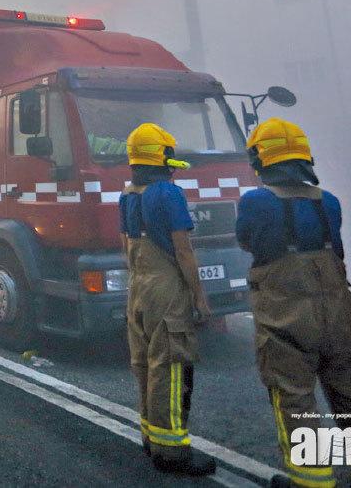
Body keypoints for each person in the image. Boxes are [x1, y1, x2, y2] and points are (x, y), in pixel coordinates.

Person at [236, 118, 351, 488]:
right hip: (339, 313)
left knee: (294, 396)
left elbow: (249, 243)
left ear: (261, 160)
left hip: (286, 312)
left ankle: (311, 479)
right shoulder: (329, 202)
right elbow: (336, 252)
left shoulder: (254, 202)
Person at [119, 123, 217, 476]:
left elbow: (126, 247)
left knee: (144, 364)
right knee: (172, 366)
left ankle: (151, 437)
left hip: (138, 288)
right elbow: (183, 250)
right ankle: (172, 452)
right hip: (166, 289)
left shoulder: (128, 195)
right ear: (162, 161)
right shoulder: (168, 194)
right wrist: (199, 297)